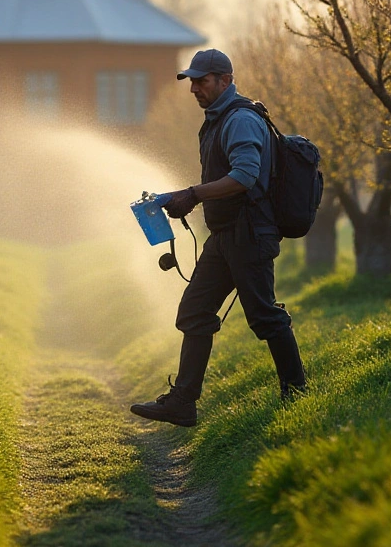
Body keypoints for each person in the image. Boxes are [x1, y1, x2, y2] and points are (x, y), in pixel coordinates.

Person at [130, 48, 306, 428]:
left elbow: (244, 176)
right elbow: (225, 180)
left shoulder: (240, 119)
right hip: (226, 235)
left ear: (224, 80)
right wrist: (183, 198)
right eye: (191, 81)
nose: (193, 88)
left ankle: (298, 395)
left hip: (250, 234)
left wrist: (193, 194)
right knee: (194, 312)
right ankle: (182, 404)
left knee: (264, 317)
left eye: (201, 81)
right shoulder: (217, 118)